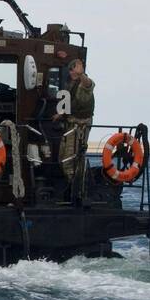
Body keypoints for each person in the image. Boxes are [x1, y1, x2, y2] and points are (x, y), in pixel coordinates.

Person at [53, 59, 94, 198]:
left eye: (73, 69)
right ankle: (74, 189)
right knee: (62, 158)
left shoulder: (84, 83)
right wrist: (61, 113)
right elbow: (71, 103)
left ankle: (77, 193)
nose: (71, 72)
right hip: (70, 125)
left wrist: (81, 73)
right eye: (71, 69)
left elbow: (88, 85)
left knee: (70, 160)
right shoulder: (70, 84)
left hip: (80, 126)